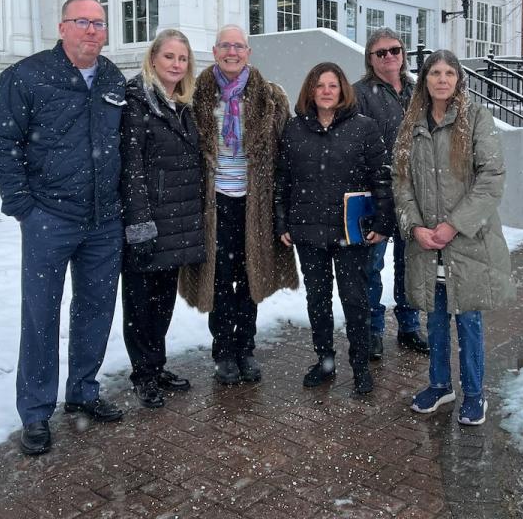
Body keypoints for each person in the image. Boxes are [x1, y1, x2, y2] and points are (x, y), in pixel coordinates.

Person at [0, 0, 125, 456]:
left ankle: (83, 390)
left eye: (99, 24)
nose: (92, 31)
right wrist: (24, 206)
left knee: (96, 308)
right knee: (40, 315)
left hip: (104, 221)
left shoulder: (111, 78)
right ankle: (36, 412)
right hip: (51, 218)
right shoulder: (27, 76)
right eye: (82, 22)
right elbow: (2, 144)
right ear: (62, 26)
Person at [392, 49, 514, 426]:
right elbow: (401, 181)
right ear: (424, 80)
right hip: (428, 244)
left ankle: (475, 393)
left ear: (459, 79)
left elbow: (491, 178)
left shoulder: (476, 118)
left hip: (467, 242)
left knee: (469, 319)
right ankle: (440, 384)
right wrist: (415, 227)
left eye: (449, 73)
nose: (442, 80)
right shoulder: (411, 123)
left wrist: (453, 225)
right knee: (437, 316)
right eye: (434, 73)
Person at [179, 25, 298, 384]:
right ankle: (224, 351)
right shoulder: (194, 95)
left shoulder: (271, 97)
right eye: (225, 46)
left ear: (248, 52)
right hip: (213, 206)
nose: (232, 52)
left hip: (254, 206)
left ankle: (245, 348)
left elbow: (286, 155)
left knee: (249, 278)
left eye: (239, 46)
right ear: (215, 52)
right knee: (218, 280)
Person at [276, 63, 393, 395]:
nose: (326, 91)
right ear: (310, 91)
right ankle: (324, 361)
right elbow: (282, 180)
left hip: (350, 232)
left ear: (342, 90)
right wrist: (282, 221)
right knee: (318, 299)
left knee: (355, 299)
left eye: (332, 85)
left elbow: (381, 178)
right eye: (319, 85)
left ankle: (359, 365)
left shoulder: (365, 129)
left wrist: (383, 222)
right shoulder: (294, 129)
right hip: (309, 231)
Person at [119, 29, 204, 410]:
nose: (176, 64)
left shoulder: (184, 103)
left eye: (182, 58)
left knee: (163, 300)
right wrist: (140, 224)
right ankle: (143, 374)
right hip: (149, 220)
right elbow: (131, 167)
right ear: (153, 59)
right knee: (140, 304)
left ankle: (156, 364)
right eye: (169, 56)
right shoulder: (135, 100)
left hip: (177, 221)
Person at [353, 28, 429, 360]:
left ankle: (409, 327)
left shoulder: (418, 91)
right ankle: (372, 332)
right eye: (381, 52)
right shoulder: (359, 93)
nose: (389, 56)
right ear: (370, 58)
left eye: (395, 49)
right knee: (371, 264)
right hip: (377, 193)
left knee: (409, 263)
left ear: (404, 53)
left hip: (414, 192)